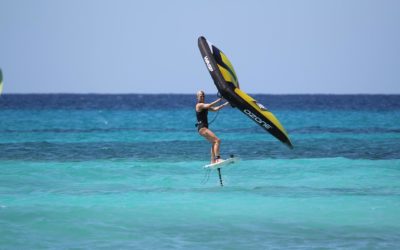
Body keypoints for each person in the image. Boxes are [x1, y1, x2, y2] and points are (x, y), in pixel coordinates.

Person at [195, 90, 229, 164]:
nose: (202, 97)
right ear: (197, 97)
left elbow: (214, 109)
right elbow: (209, 105)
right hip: (202, 128)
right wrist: (220, 99)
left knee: (214, 143)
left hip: (202, 129)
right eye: (201, 96)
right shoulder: (199, 105)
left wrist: (226, 104)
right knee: (217, 140)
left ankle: (212, 161)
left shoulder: (204, 106)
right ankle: (218, 159)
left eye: (203, 95)